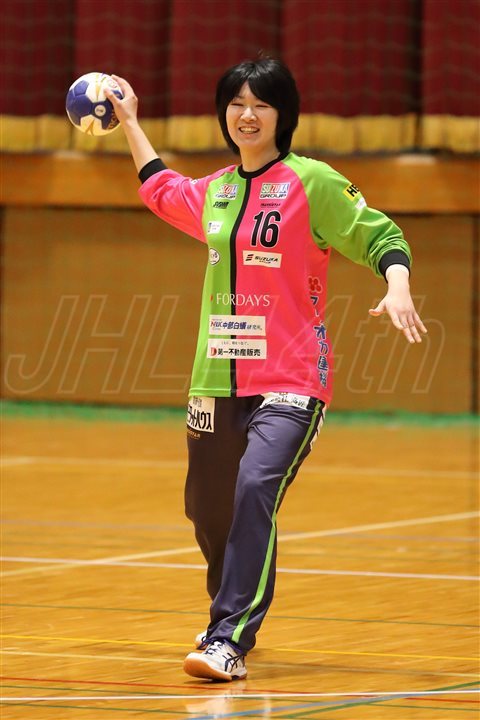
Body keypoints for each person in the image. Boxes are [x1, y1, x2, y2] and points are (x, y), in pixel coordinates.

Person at [105, 58, 427, 682]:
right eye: (236, 104)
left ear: (284, 114)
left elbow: (379, 235)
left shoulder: (313, 181)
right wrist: (131, 123)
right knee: (208, 511)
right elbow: (160, 187)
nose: (247, 115)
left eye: (261, 104)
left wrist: (398, 283)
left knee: (255, 486)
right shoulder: (217, 190)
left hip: (291, 377)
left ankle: (228, 637)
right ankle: (226, 608)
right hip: (215, 378)